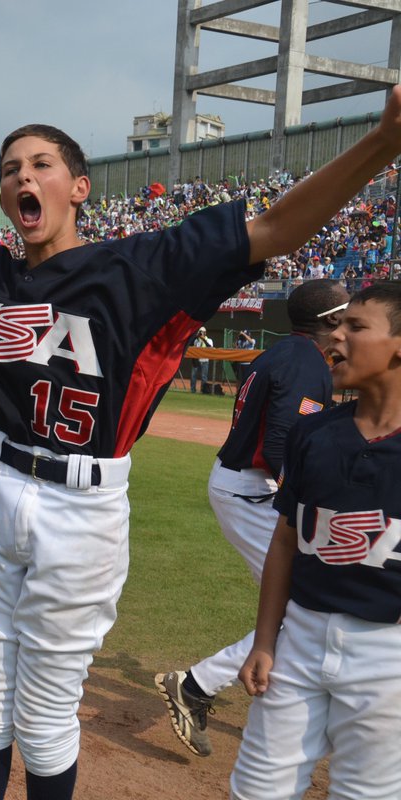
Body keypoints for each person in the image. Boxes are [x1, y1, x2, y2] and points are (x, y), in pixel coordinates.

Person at [0, 95, 401, 799]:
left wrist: (383, 144)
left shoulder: (141, 267)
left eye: (42, 164)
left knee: (45, 712)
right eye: (10, 167)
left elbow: (279, 228)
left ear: (78, 188)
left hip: (83, 504)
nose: (24, 176)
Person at [154, 279, 349, 757]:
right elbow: (282, 446)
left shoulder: (284, 354)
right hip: (250, 491)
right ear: (330, 321)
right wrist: (307, 506)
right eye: (348, 316)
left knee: (300, 610)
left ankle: (206, 686)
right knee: (301, 609)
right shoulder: (306, 362)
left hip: (244, 486)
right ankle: (197, 685)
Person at [231, 282, 401, 799]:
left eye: (356, 326)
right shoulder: (316, 431)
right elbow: (285, 540)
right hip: (300, 639)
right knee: (257, 788)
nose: (337, 336)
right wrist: (265, 640)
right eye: (337, 324)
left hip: (387, 655)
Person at [190, 327, 214, 393]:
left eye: (202, 332)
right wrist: (196, 336)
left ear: (205, 333)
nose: (201, 333)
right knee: (193, 376)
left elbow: (210, 347)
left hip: (205, 360)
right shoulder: (196, 341)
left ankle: (203, 390)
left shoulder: (209, 340)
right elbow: (190, 344)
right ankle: (192, 390)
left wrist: (203, 339)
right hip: (196, 360)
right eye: (200, 332)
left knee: (204, 377)